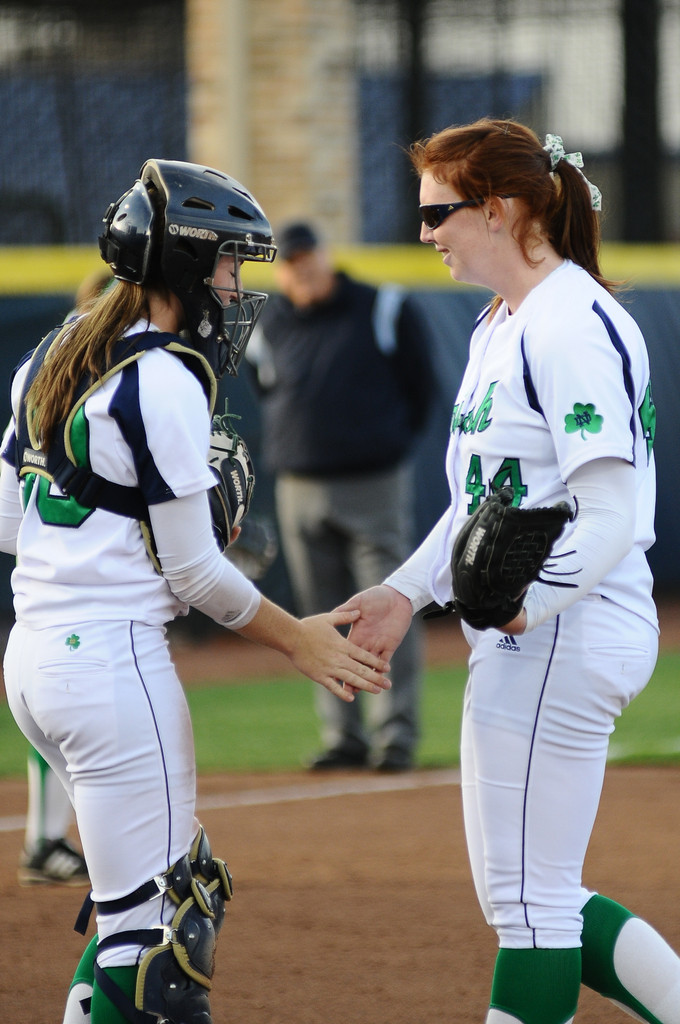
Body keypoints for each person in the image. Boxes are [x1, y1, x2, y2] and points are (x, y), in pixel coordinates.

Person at [0, 159, 390, 1024]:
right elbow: (194, 575)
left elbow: (8, 528)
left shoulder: (54, 350)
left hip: (32, 662)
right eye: (228, 264)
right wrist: (303, 640)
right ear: (186, 264)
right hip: (111, 671)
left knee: (124, 925)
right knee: (163, 949)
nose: (236, 284)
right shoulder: (167, 380)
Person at [340, 119, 680, 1023]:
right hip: (547, 629)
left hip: (567, 627)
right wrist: (407, 591)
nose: (426, 233)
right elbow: (480, 504)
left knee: (530, 906)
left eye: (439, 212)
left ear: (499, 210)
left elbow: (611, 512)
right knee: (532, 898)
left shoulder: (568, 321)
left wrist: (532, 601)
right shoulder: (508, 319)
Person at [246, 221, 434, 772]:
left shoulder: (382, 306)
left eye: (306, 257)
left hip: (373, 483)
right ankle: (343, 735)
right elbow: (265, 388)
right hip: (298, 484)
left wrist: (385, 443)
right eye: (289, 262)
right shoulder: (270, 320)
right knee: (319, 613)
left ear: (325, 255)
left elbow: (421, 389)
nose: (299, 269)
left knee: (391, 601)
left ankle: (395, 734)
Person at [17, 271, 114, 888]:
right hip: (98, 620)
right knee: (154, 871)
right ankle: (46, 840)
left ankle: (44, 840)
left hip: (34, 610)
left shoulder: (35, 373)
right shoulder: (136, 384)